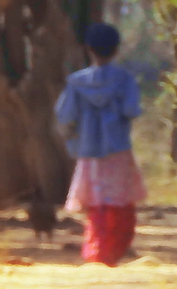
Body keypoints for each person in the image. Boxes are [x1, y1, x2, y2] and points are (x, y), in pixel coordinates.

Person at [56, 22, 145, 265]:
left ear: (88, 49)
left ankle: (96, 251)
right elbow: (131, 109)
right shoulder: (125, 80)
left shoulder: (76, 82)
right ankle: (113, 251)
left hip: (88, 152)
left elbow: (64, 115)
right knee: (119, 203)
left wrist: (74, 138)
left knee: (96, 205)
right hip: (117, 150)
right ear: (116, 50)